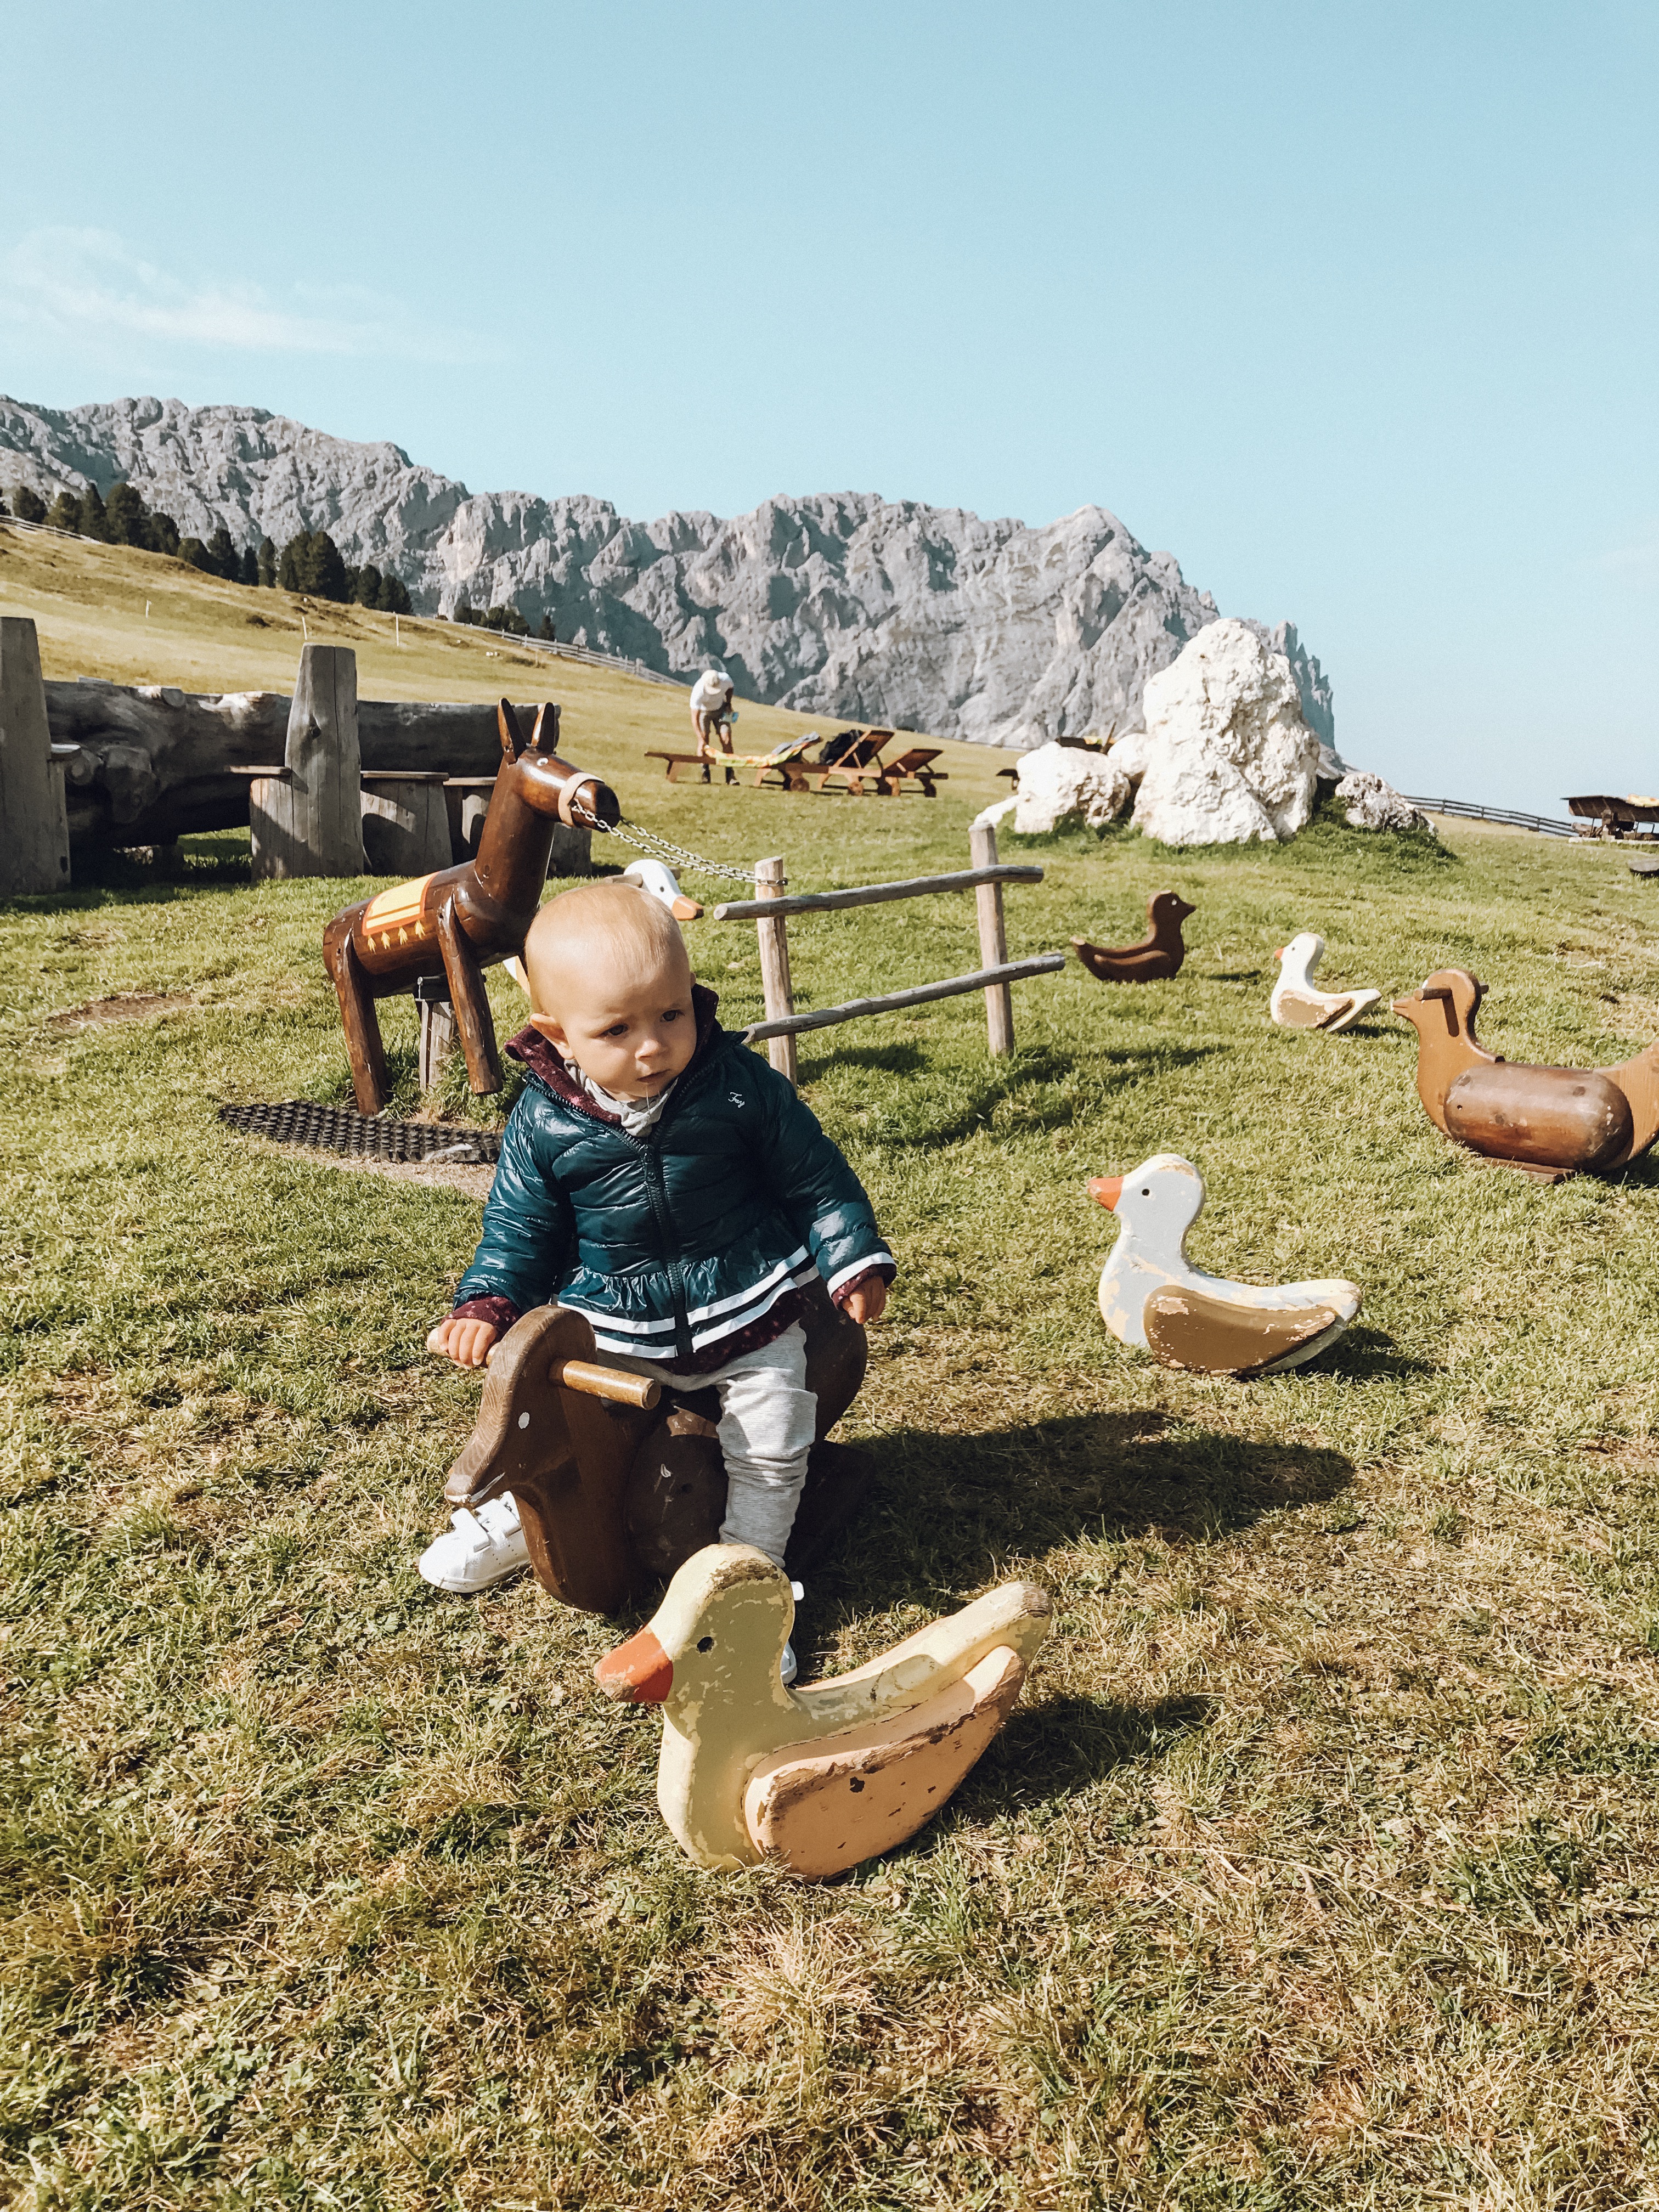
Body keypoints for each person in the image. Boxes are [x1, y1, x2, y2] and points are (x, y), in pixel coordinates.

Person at [420, 881, 893, 1677]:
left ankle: (750, 1582)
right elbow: (519, 1228)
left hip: (749, 1306)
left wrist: (852, 1256)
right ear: (557, 1036)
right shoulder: (543, 1121)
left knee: (771, 1441)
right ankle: (519, 1518)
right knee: (558, 1419)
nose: (652, 1047)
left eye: (670, 1014)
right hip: (617, 1318)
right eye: (617, 1029)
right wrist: (488, 1302)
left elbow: (817, 1179)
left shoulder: (739, 1086)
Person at [689, 668, 737, 781]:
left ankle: (730, 775)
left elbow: (731, 688)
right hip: (704, 712)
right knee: (704, 741)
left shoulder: (725, 678)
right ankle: (705, 773)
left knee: (727, 740)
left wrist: (729, 703)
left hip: (722, 710)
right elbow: (694, 720)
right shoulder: (698, 691)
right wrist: (700, 738)